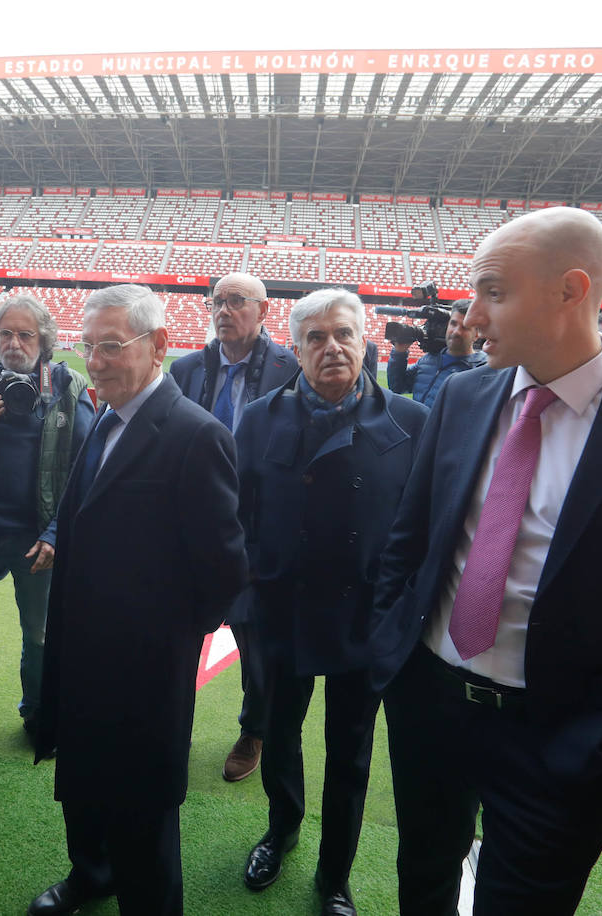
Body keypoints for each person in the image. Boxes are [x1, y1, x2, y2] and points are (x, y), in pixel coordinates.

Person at [370, 207, 602, 915]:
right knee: (422, 877)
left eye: (494, 292)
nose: (471, 315)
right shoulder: (462, 395)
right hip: (431, 705)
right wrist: (394, 659)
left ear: (571, 291)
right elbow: (408, 540)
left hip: (562, 742)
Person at [29, 285, 249, 916]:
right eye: (87, 346)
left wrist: (166, 636)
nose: (94, 361)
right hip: (83, 650)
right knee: (85, 786)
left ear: (157, 347)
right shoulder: (106, 417)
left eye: (110, 346)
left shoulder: (194, 435)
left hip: (144, 668)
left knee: (143, 816)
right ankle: (91, 875)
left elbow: (226, 569)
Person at [235, 289, 427, 916]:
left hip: (364, 618)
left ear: (365, 341)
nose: (331, 348)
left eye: (343, 334)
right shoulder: (261, 417)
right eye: (315, 339)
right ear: (296, 350)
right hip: (282, 611)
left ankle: (334, 873)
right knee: (280, 735)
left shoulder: (409, 420)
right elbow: (238, 514)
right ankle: (282, 828)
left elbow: (424, 529)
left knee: (351, 753)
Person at [0, 294, 93, 737]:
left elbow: (84, 469)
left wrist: (54, 533)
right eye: (6, 333)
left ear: (43, 340)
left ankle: (38, 713)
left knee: (41, 635)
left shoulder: (69, 388)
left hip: (36, 539)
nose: (14, 343)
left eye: (25, 334)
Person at [169, 272, 298, 782]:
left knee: (255, 645)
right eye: (216, 302)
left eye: (236, 301)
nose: (224, 310)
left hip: (258, 533)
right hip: (191, 528)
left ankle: (254, 730)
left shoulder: (291, 369)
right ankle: (170, 724)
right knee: (176, 634)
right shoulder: (185, 369)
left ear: (264, 311)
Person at [386, 299, 487, 405]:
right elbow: (397, 387)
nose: (456, 331)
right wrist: (399, 352)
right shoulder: (428, 360)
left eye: (465, 327)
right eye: (453, 324)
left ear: (476, 334)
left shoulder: (480, 370)